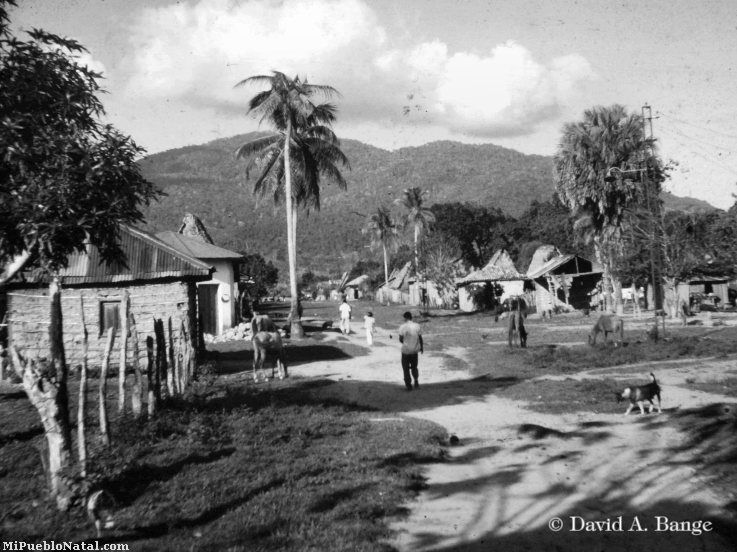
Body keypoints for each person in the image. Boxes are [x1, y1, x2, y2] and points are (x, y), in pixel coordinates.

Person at [398, 311, 423, 390]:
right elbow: (420, 338)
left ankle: (408, 385)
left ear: (405, 318)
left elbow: (401, 339)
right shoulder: (417, 326)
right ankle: (416, 381)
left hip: (406, 351)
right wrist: (421, 347)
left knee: (405, 368)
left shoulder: (402, 327)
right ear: (411, 317)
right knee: (414, 367)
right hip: (414, 351)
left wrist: (405, 342)